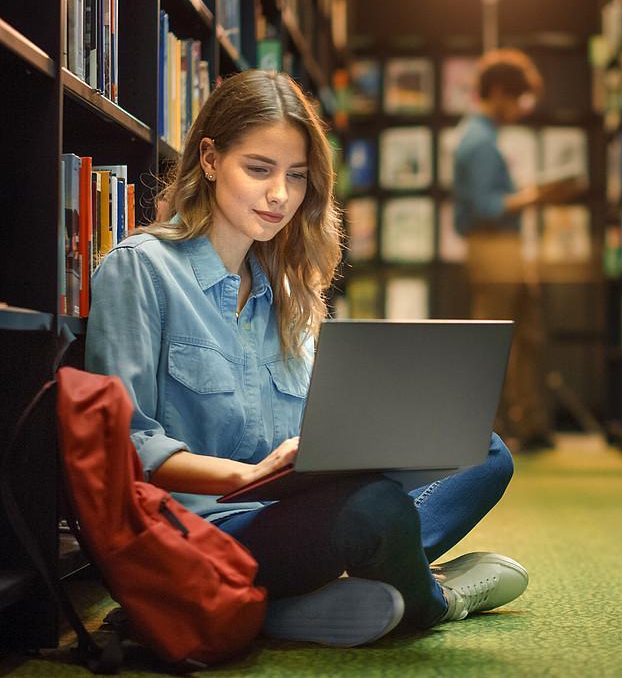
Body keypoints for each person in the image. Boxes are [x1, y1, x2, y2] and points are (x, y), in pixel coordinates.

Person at [85, 69, 528, 648]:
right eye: (259, 169)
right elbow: (126, 448)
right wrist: (246, 475)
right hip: (200, 534)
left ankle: (279, 603)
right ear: (211, 159)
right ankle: (436, 600)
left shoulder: (290, 290)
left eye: (296, 177)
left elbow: (317, 437)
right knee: (376, 510)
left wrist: (376, 438)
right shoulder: (140, 268)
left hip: (295, 516)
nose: (280, 196)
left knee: (483, 451)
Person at [453, 48, 579, 452]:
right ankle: (494, 431)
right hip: (495, 248)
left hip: (498, 248)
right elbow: (487, 207)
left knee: (522, 338)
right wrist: (540, 195)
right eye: (519, 97)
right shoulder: (479, 142)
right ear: (501, 92)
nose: (522, 108)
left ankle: (519, 424)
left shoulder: (478, 138)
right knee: (502, 341)